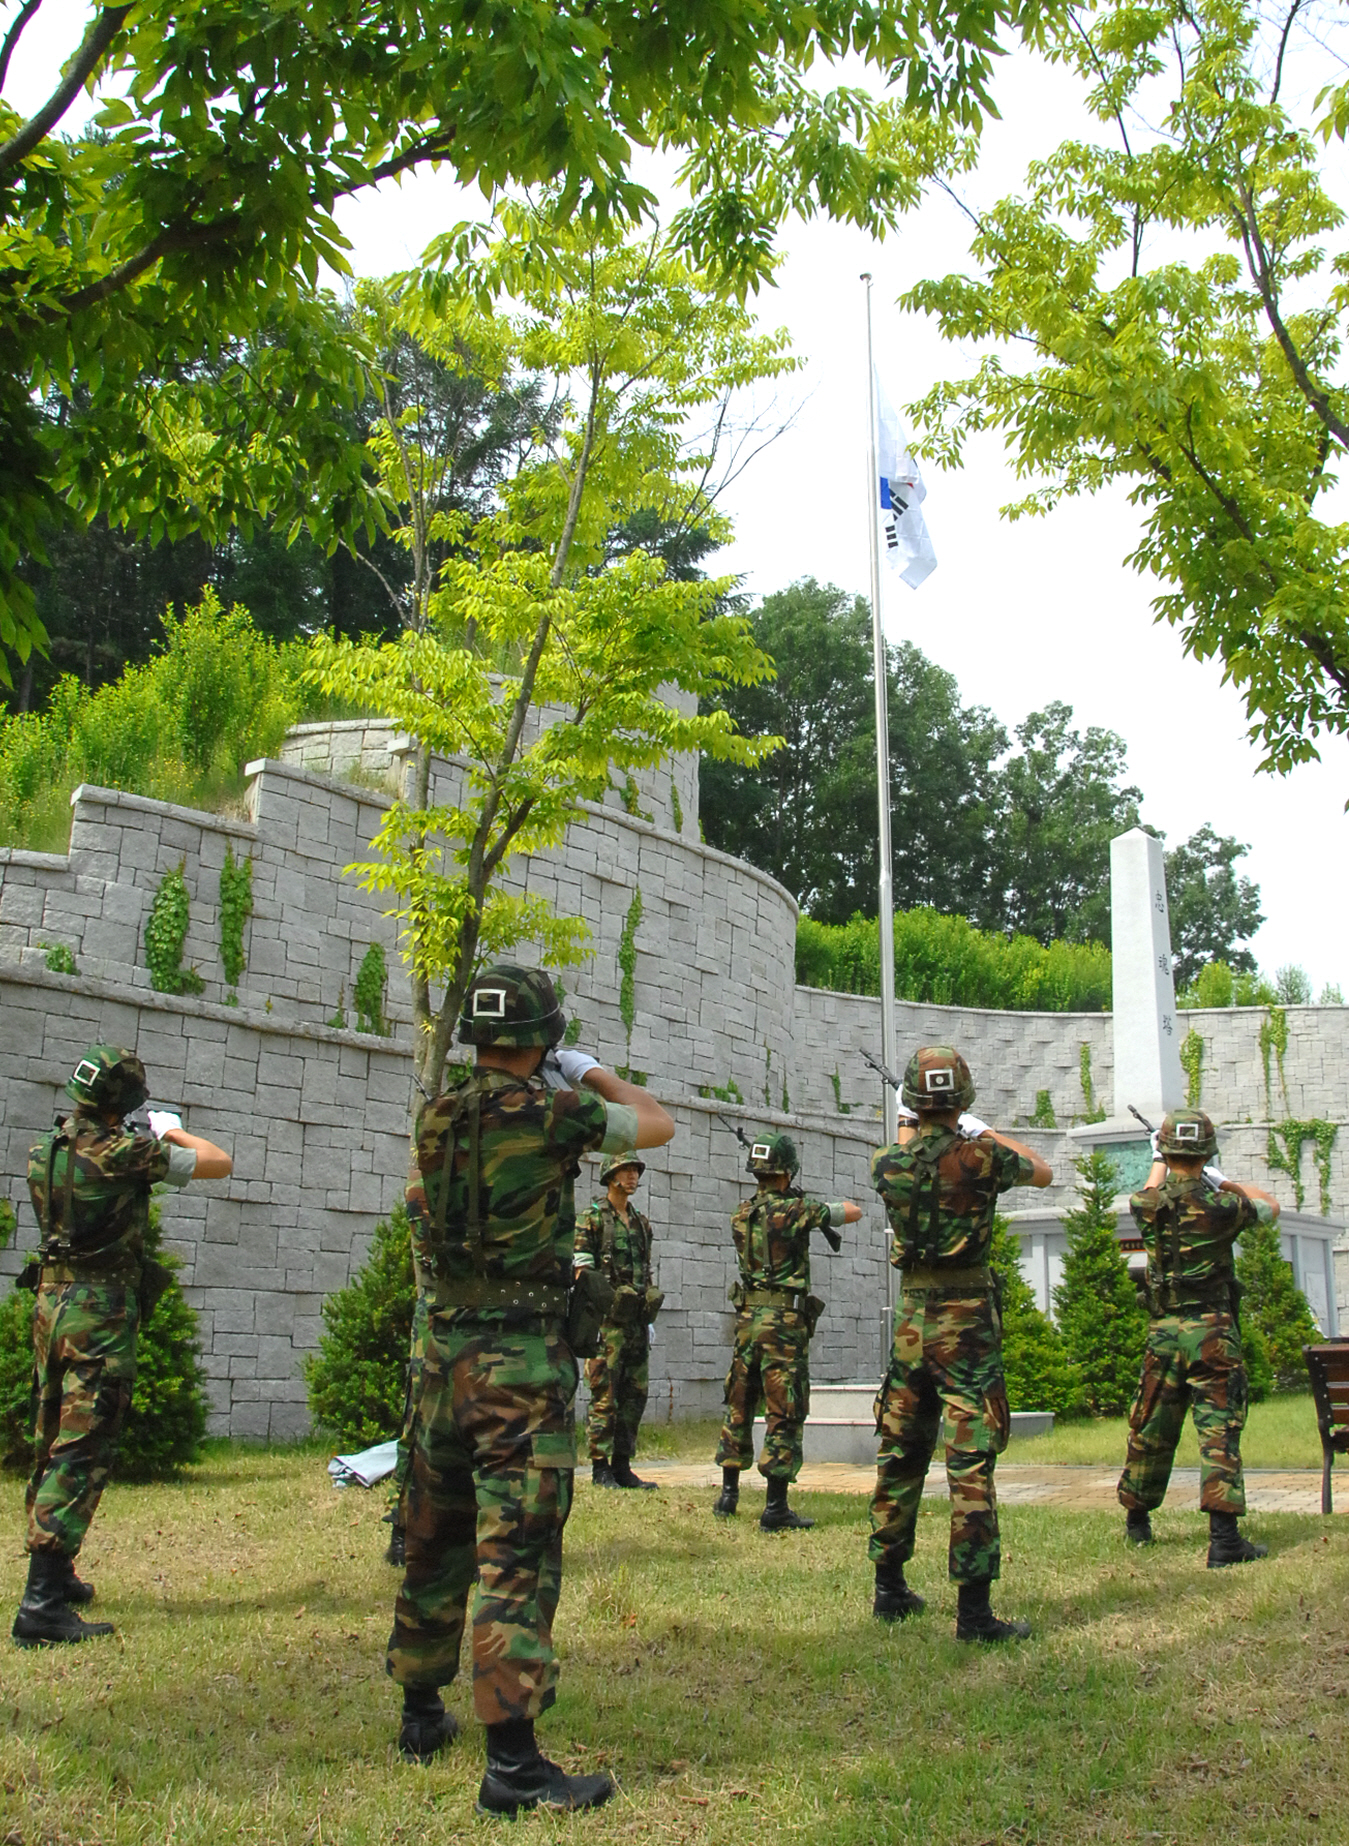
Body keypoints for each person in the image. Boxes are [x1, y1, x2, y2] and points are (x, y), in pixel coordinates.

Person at [386, 963, 674, 1818]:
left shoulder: (436, 1114)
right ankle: (512, 1766)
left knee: (433, 1533)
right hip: (517, 1363)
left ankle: (420, 1713)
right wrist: (586, 1071)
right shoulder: (556, 1112)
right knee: (515, 1552)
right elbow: (656, 1123)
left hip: (442, 1358)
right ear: (544, 1037)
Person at [12, 1045, 232, 1647]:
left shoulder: (46, 1149)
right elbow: (218, 1162)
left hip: (51, 1307)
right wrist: (172, 1130)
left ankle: (59, 1572)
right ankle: (41, 1605)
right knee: (83, 1445)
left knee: (51, 1436)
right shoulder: (123, 1153)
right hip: (99, 1312)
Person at [868, 1046, 1052, 1643]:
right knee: (969, 1457)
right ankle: (973, 1612)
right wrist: (981, 1130)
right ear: (962, 1101)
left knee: (901, 1448)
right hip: (966, 1321)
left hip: (912, 1322)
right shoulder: (983, 1158)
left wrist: (913, 1123)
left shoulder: (886, 1166)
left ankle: (889, 1587)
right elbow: (1042, 1170)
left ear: (913, 1104)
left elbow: (907, 1155)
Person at [1117, 1108, 1280, 1567]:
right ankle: (1224, 1540)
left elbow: (1149, 1193)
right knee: (1218, 1429)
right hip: (1213, 1332)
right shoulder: (1223, 1208)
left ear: (1166, 1151)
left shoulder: (1147, 1205)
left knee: (1151, 1424)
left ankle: (1137, 1522)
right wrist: (1220, 1179)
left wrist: (1159, 1160)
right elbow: (1270, 1206)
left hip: (1164, 1332)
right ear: (1208, 1152)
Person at [712, 1133, 861, 1532]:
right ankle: (775, 1507)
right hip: (782, 1326)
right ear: (787, 1172)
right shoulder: (795, 1211)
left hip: (747, 1322)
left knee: (739, 1403)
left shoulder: (740, 1214)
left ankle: (728, 1496)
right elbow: (852, 1211)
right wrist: (809, 1203)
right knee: (784, 1409)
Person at [575, 1152, 662, 1490]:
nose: (632, 1177)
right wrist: (599, 1311)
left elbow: (645, 1269)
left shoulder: (641, 1222)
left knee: (634, 1395)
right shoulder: (592, 1219)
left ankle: (622, 1465)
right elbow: (583, 1272)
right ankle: (600, 1468)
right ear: (610, 1177)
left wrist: (647, 1314)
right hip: (606, 1325)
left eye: (635, 1171)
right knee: (604, 1395)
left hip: (636, 1323)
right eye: (625, 1171)